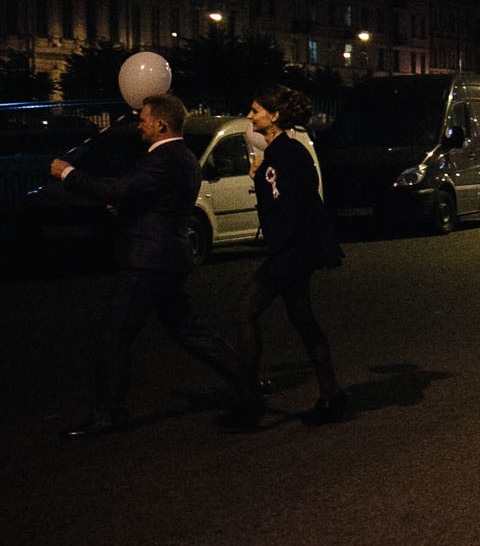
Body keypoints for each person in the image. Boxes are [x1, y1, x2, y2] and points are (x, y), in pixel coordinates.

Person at [49, 93, 248, 435]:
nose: (139, 124)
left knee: (114, 333)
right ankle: (247, 378)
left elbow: (120, 187)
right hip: (168, 257)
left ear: (160, 124)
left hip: (148, 260)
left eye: (143, 119)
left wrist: (69, 173)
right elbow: (157, 200)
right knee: (188, 329)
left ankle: (109, 413)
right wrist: (127, 207)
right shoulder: (182, 157)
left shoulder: (164, 157)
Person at [220, 84, 346, 429]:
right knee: (303, 320)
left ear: (274, 117)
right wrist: (260, 175)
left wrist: (265, 178)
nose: (250, 116)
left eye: (256, 111)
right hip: (292, 250)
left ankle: (247, 401)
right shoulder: (279, 154)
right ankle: (331, 394)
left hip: (291, 251)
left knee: (246, 310)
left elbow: (295, 203)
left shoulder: (289, 154)